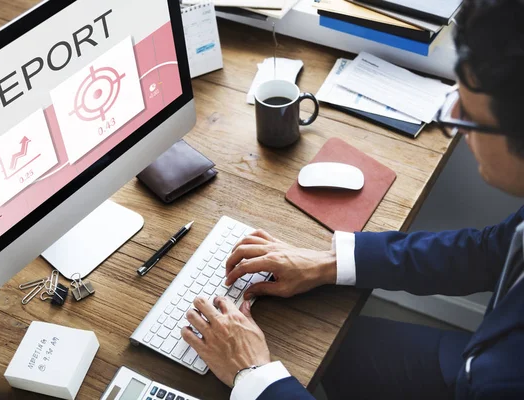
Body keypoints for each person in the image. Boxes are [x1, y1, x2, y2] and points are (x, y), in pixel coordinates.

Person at [179, 0, 524, 399]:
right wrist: (330, 262)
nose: (458, 130)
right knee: (338, 350)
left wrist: (254, 375)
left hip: (482, 376)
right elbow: (490, 252)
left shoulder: (506, 382)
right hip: (476, 359)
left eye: (467, 117)